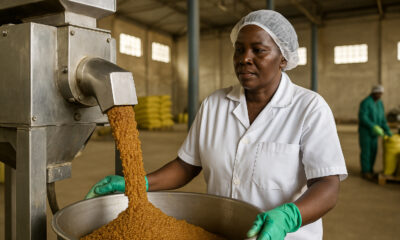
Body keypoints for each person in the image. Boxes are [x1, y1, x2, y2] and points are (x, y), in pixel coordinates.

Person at [86, 10, 347, 240]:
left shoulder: (309, 108)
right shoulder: (214, 104)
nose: (245, 58)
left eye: (259, 50)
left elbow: (327, 184)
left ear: (283, 59)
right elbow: (187, 165)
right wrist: (140, 183)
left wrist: (290, 216)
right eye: (239, 49)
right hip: (220, 233)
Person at [358, 85, 392, 180]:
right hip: (366, 132)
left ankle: (370, 170)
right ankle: (365, 171)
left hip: (374, 133)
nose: (380, 95)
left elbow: (382, 118)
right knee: (366, 152)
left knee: (374, 151)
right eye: (379, 93)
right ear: (374, 92)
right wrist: (373, 126)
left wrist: (387, 130)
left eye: (381, 93)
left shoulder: (380, 103)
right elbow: (363, 117)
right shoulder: (366, 102)